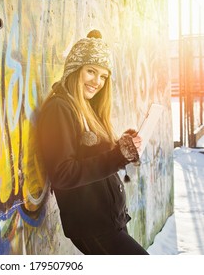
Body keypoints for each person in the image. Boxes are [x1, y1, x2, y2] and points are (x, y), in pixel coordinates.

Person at [37, 29, 149, 255]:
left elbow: (89, 153)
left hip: (110, 220)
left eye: (103, 76)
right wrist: (118, 156)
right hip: (93, 227)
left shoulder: (84, 106)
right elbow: (63, 173)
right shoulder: (59, 108)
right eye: (91, 71)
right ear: (74, 69)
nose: (97, 82)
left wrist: (120, 144)